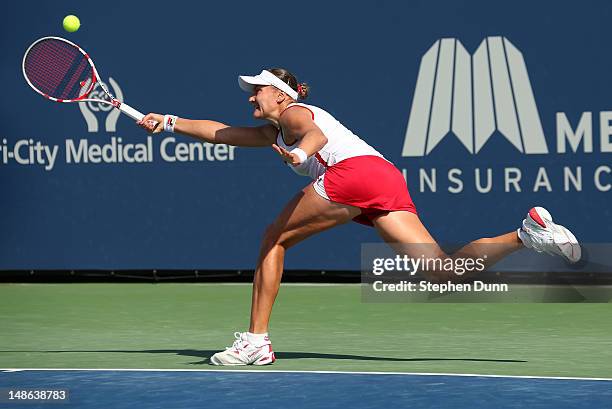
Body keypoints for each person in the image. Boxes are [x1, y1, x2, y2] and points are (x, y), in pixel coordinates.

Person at [138, 68, 580, 366]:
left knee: (273, 239)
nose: (251, 95)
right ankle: (526, 235)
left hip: (353, 174)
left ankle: (256, 341)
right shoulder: (276, 125)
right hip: (383, 177)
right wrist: (170, 122)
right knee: (440, 272)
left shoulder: (294, 115)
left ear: (281, 93)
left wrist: (299, 154)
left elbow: (312, 134)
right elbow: (223, 133)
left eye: (258, 89)